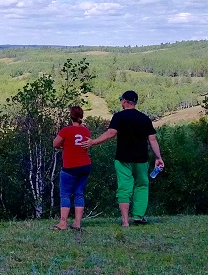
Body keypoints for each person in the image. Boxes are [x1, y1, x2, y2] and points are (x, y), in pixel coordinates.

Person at [81, 90, 164, 226]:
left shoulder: (119, 117)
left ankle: (125, 221)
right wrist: (158, 157)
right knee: (142, 185)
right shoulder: (144, 118)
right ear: (135, 102)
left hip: (122, 158)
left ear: (124, 101)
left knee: (124, 188)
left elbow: (111, 133)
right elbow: (152, 139)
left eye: (121, 100)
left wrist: (93, 142)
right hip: (141, 159)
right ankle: (138, 216)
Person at [52, 106, 91, 231]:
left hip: (70, 167)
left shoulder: (66, 131)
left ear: (71, 116)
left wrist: (65, 147)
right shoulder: (86, 131)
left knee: (65, 194)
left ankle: (63, 223)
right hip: (85, 165)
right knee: (79, 193)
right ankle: (77, 223)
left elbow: (55, 144)